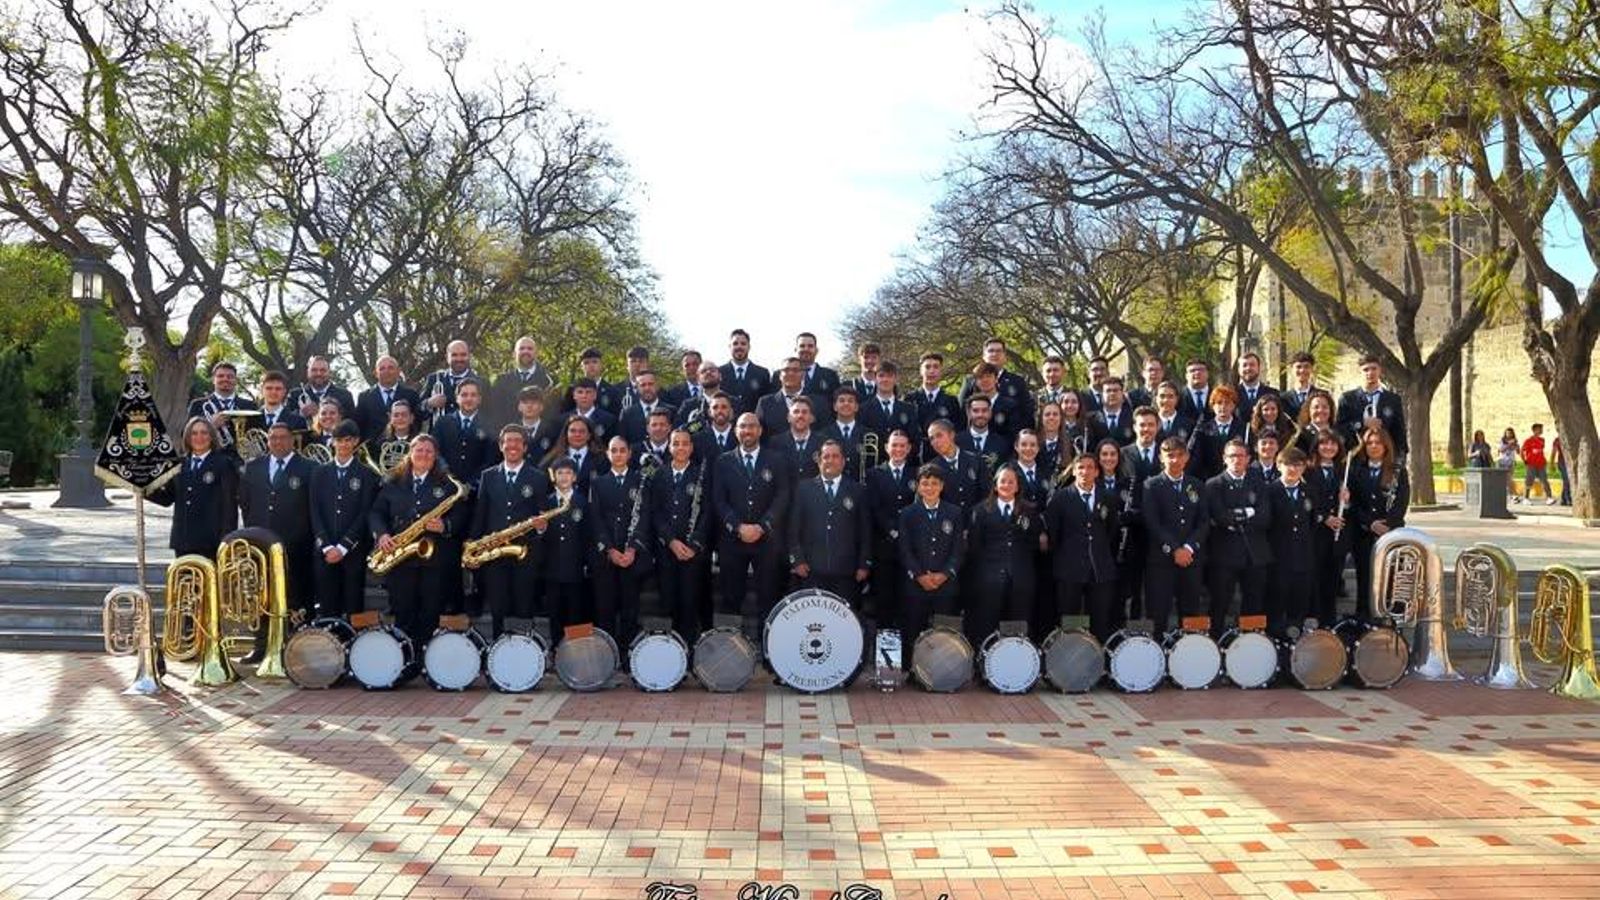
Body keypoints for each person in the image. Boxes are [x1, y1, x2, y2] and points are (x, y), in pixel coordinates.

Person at [369, 434, 468, 646]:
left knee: (430, 611)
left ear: (435, 456)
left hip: (434, 560)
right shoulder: (392, 481)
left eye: (429, 451)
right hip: (400, 558)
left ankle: (425, 656)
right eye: (419, 450)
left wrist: (445, 526)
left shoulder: (448, 484)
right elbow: (376, 513)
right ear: (410, 454)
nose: (423, 454)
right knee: (403, 610)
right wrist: (382, 534)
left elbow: (461, 515)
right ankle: (405, 656)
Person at [239, 422, 316, 649]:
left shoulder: (309, 468)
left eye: (283, 437)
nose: (277, 442)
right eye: (273, 438)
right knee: (261, 596)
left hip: (296, 546)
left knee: (295, 597)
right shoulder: (253, 467)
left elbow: (312, 506)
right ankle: (261, 647)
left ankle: (294, 648)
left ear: (292, 441)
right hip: (261, 545)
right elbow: (245, 502)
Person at [468, 425, 550, 637]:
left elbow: (542, 516)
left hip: (526, 553)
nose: (512, 445)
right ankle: (498, 649)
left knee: (523, 606)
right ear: (501, 446)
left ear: (524, 447)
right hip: (494, 554)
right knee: (498, 607)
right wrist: (473, 544)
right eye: (508, 441)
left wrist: (541, 529)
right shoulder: (488, 476)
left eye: (517, 441)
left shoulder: (538, 477)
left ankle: (524, 653)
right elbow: (481, 513)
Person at [713, 413, 792, 620]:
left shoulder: (776, 459)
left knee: (769, 597)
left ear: (760, 430)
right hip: (732, 540)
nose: (747, 430)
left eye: (751, 426)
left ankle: (768, 647)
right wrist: (738, 527)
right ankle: (730, 649)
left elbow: (783, 495)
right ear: (736, 431)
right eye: (742, 426)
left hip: (767, 540)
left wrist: (763, 526)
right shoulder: (723, 461)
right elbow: (719, 500)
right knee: (731, 597)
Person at [897, 464, 966, 672]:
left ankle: (944, 671)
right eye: (925, 483)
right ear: (918, 487)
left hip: (945, 584)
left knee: (944, 630)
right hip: (916, 584)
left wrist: (945, 574)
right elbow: (904, 549)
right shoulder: (908, 514)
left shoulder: (954, 513)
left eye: (934, 483)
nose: (930, 487)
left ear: (942, 486)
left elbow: (958, 549)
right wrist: (919, 575)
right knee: (913, 629)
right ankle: (913, 670)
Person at [965, 465, 1043, 648]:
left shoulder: (1029, 511)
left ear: (1017, 486)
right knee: (987, 624)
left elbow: (1033, 542)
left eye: (1011, 482)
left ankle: (1017, 669)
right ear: (995, 485)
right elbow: (975, 547)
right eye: (1003, 481)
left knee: (1018, 625)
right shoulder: (980, 510)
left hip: (1021, 578)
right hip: (989, 579)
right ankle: (983, 666)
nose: (1006, 485)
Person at [786, 440, 871, 606]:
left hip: (847, 571)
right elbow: (793, 528)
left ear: (843, 461)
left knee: (845, 621)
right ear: (819, 461)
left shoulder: (858, 490)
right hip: (810, 570)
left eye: (835, 456)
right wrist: (797, 560)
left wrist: (864, 564)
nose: (830, 460)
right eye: (826, 457)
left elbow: (865, 531)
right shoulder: (804, 489)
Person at [1203, 439, 1274, 637]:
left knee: (1253, 602)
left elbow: (1265, 517)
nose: (1237, 459)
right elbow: (1221, 517)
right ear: (1224, 459)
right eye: (1232, 455)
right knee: (1220, 603)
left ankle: (1249, 644)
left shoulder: (1259, 483)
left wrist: (1237, 515)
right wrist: (1249, 512)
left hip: (1255, 554)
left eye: (1241, 455)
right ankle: (1215, 641)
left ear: (1248, 459)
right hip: (1223, 555)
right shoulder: (1213, 485)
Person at [1045, 454, 1120, 642]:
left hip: (1100, 569)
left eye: (1089, 467)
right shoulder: (1061, 498)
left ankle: (1099, 662)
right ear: (1074, 471)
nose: (1085, 472)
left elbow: (1111, 530)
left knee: (1099, 619)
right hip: (1069, 569)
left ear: (1096, 471)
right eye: (1080, 468)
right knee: (1070, 620)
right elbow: (1054, 532)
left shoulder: (1108, 497)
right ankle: (1070, 661)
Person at [309, 420, 379, 618]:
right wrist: (326, 546)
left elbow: (365, 512)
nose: (343, 445)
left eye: (348, 440)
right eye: (339, 440)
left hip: (353, 550)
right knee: (326, 604)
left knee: (352, 605)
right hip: (325, 549)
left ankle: (352, 646)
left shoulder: (366, 475)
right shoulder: (319, 473)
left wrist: (343, 547)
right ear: (332, 442)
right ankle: (328, 644)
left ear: (356, 442)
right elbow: (314, 510)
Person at [590, 436, 653, 650]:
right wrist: (609, 549)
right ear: (608, 454)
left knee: (630, 609)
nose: (618, 454)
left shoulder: (641, 480)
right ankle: (608, 654)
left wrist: (632, 549)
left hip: (631, 557)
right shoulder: (598, 483)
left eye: (622, 450)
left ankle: (628, 654)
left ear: (629, 454)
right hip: (607, 557)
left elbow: (644, 516)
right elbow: (596, 519)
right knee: (605, 609)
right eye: (613, 450)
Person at [1141, 437, 1209, 634]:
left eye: (1180, 455)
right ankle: (1159, 654)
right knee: (1158, 613)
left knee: (1190, 614)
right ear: (1161, 458)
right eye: (1170, 456)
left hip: (1191, 560)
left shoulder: (1197, 485)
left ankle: (1187, 657)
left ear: (1186, 458)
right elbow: (1153, 522)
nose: (1175, 460)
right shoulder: (1151, 486)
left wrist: (1188, 548)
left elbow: (1204, 521)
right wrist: (1175, 549)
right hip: (1161, 561)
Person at [649, 428, 711, 640]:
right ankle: (672, 652)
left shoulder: (701, 475)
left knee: (690, 602)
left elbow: (707, 512)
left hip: (693, 553)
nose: (681, 448)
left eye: (685, 444)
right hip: (667, 551)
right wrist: (671, 541)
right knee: (669, 601)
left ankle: (689, 648)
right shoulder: (659, 474)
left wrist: (694, 544)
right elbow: (655, 512)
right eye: (676, 443)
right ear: (669, 446)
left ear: (691, 448)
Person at [148, 416, 238, 558]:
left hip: (211, 541)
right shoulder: (179, 464)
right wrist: (144, 490)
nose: (199, 437)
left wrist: (227, 539)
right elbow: (167, 498)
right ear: (187, 437)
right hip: (183, 540)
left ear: (212, 436)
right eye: (194, 433)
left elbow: (229, 507)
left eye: (204, 433)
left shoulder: (223, 464)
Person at [1347, 426, 1410, 617]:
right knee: (1365, 577)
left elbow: (1401, 501)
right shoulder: (1356, 470)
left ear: (1386, 445)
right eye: (1369, 443)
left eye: (1378, 443)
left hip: (1391, 534)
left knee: (1390, 577)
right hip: (1364, 534)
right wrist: (1370, 524)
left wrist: (1387, 524)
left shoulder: (1398, 471)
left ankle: (1390, 619)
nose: (1374, 446)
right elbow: (1353, 504)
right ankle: (1364, 618)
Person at [864, 430, 917, 640]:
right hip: (884, 548)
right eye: (894, 445)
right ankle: (885, 655)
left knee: (907, 600)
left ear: (909, 448)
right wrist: (893, 530)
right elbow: (875, 508)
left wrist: (905, 532)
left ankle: (907, 651)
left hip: (911, 549)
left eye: (902, 445)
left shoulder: (918, 473)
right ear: (886, 448)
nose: (898, 449)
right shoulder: (874, 474)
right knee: (884, 601)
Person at [1267, 448, 1318, 635]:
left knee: (1299, 605)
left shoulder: (1309, 491)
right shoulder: (1270, 491)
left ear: (1304, 468)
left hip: (1303, 558)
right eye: (1288, 464)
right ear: (1279, 465)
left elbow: (1312, 523)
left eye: (1298, 465)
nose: (1293, 469)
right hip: (1278, 558)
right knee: (1277, 605)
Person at [538, 457, 588, 639]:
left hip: (575, 568)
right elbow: (539, 536)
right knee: (554, 612)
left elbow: (587, 536)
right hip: (552, 569)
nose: (564, 477)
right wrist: (541, 529)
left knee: (576, 611)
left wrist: (586, 563)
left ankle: (574, 651)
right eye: (560, 473)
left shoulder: (583, 502)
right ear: (554, 476)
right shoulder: (547, 502)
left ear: (575, 477)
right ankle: (556, 648)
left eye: (568, 473)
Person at [1308, 429, 1352, 626]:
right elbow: (1307, 501)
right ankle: (1314, 621)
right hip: (1316, 533)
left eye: (1333, 444)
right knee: (1315, 579)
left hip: (1338, 535)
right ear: (1317, 446)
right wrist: (1324, 518)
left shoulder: (1344, 470)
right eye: (1324, 443)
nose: (1329, 447)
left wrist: (1347, 500)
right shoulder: (1308, 470)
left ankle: (1330, 622)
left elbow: (1352, 505)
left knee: (1333, 580)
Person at [1336, 354, 1408, 458]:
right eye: (1366, 370)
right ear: (1359, 372)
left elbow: (1399, 431)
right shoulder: (1347, 398)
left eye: (1374, 368)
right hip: (1356, 456)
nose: (1370, 373)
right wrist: (1361, 423)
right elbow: (1340, 428)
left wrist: (1400, 457)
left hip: (1385, 456)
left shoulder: (1393, 399)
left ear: (1380, 370)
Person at [489, 336, 556, 427]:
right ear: (514, 354)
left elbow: (552, 414)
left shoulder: (549, 381)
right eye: (521, 348)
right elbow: (495, 413)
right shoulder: (501, 381)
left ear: (536, 354)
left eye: (530, 349)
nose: (525, 351)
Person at [354, 356, 421, 442]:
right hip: (373, 450)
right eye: (382, 368)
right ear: (375, 373)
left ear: (398, 371)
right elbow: (360, 425)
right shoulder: (364, 397)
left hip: (405, 448)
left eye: (391, 368)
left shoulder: (412, 395)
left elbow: (417, 422)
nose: (387, 371)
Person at [1188, 385, 1248, 479]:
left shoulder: (1244, 428)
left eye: (1227, 403)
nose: (1223, 407)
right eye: (1219, 403)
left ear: (1234, 405)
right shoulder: (1203, 430)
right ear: (1213, 406)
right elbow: (1195, 457)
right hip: (1209, 480)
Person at [924, 419, 983, 510]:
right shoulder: (932, 468)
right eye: (931, 438)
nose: (935, 442)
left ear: (951, 435)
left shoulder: (975, 460)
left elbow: (986, 494)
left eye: (939, 435)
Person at [911, 352, 965, 447]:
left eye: (936, 367)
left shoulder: (951, 400)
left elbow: (958, 430)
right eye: (927, 367)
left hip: (943, 453)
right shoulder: (910, 399)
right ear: (921, 371)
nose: (931, 371)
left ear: (941, 371)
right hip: (917, 453)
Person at [420, 340, 479, 423]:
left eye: (463, 355)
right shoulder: (434, 379)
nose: (459, 359)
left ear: (469, 356)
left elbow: (489, 415)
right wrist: (429, 403)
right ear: (447, 357)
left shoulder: (482, 383)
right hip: (439, 434)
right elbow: (417, 412)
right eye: (454, 355)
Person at [544, 415, 603, 495]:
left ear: (589, 435)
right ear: (566, 434)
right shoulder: (552, 459)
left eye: (582, 431)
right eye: (572, 431)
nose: (577, 435)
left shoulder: (601, 459)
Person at [719, 328, 772, 415]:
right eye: (735, 344)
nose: (739, 347)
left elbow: (766, 404)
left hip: (753, 424)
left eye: (743, 344)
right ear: (729, 347)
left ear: (749, 347)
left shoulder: (762, 373)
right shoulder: (719, 373)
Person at [289, 355, 356, 423]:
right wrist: (301, 413)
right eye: (314, 370)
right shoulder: (295, 395)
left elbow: (351, 425)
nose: (319, 374)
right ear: (307, 373)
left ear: (329, 373)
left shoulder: (345, 396)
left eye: (323, 370)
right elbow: (286, 421)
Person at [957, 394, 1013, 474]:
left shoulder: (1002, 443)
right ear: (968, 413)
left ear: (990, 413)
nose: (980, 414)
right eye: (975, 411)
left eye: (984, 410)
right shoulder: (956, 442)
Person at [757, 357, 810, 440]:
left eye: (795, 370)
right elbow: (758, 433)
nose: (791, 373)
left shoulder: (817, 402)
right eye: (786, 370)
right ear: (780, 375)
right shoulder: (765, 403)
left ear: (803, 374)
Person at [366, 399, 422, 473]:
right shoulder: (381, 443)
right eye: (396, 415)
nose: (400, 418)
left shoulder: (420, 442)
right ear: (390, 418)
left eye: (404, 415)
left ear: (411, 418)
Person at [795, 331, 840, 417]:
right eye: (802, 346)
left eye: (810, 346)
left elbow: (836, 404)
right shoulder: (781, 375)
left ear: (816, 350)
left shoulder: (830, 375)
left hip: (822, 427)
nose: (806, 349)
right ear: (796, 349)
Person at [617, 370, 668, 445]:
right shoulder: (627, 414)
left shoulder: (671, 411)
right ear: (637, 388)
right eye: (643, 385)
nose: (647, 388)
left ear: (657, 386)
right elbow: (622, 442)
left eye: (650, 384)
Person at [1294, 391, 1345, 458]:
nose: (1320, 410)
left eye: (1325, 407)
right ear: (1308, 410)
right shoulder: (1300, 435)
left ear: (1331, 410)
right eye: (1316, 407)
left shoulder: (1341, 433)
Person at [566, 377, 618, 444]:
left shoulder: (609, 421)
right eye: (580, 392)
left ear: (595, 395)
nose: (584, 396)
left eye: (588, 392)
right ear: (574, 395)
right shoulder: (564, 420)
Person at [1232, 351, 1276, 420]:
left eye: (1252, 365)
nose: (1248, 368)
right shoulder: (1232, 394)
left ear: (1259, 368)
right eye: (1244, 365)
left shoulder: (1273, 393)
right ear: (1239, 370)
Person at [1092, 377, 1135, 447]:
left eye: (1115, 390)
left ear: (1122, 394)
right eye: (1108, 391)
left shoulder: (1133, 418)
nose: (1112, 394)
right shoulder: (1092, 419)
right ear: (1102, 395)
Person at [1522, 423, 1555, 504]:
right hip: (1531, 464)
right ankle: (1526, 498)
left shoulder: (1542, 440)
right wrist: (1525, 460)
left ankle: (1549, 497)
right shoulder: (1528, 441)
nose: (1541, 430)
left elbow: (1540, 450)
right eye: (1539, 429)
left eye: (1541, 429)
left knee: (1544, 480)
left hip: (1541, 464)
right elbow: (1522, 451)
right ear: (1534, 430)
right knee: (1529, 480)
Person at [1281, 351, 1318, 421]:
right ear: (1291, 369)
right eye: (1298, 367)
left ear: (1312, 369)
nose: (1302, 370)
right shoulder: (1283, 399)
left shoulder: (1322, 395)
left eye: (1306, 367)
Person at [1497, 427, 1520, 501]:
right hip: (1502, 462)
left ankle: (1511, 495)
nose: (1509, 434)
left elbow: (1518, 452)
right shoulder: (1502, 441)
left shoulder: (1515, 441)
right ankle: (1513, 495)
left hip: (1511, 462)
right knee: (1506, 479)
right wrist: (1509, 444)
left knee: (1509, 479)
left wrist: (1517, 447)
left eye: (1510, 433)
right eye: (1507, 433)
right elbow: (1501, 450)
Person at [1553, 432, 1571, 506]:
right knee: (1566, 480)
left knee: (1567, 481)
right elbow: (1553, 452)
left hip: (1570, 462)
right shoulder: (1557, 440)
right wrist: (1551, 463)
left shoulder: (1572, 438)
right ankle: (1568, 499)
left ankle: (1563, 499)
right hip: (1562, 462)